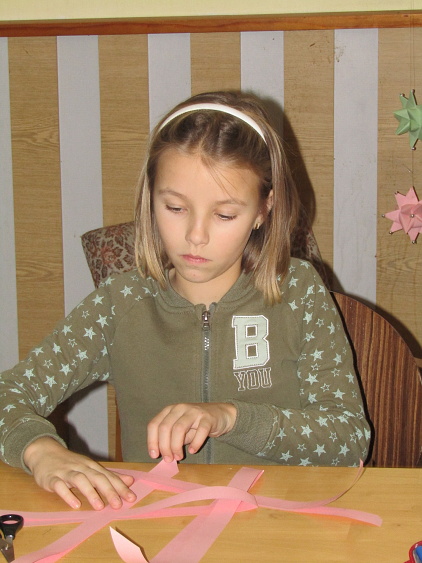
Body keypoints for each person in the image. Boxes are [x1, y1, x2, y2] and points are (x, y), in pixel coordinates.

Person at [0, 90, 371, 512]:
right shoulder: (120, 304)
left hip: (279, 525)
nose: (196, 236)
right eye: (175, 207)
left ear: (263, 209)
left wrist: (231, 417)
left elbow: (348, 439)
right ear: (151, 196)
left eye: (225, 215)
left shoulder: (298, 291)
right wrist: (41, 451)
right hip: (159, 526)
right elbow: (8, 393)